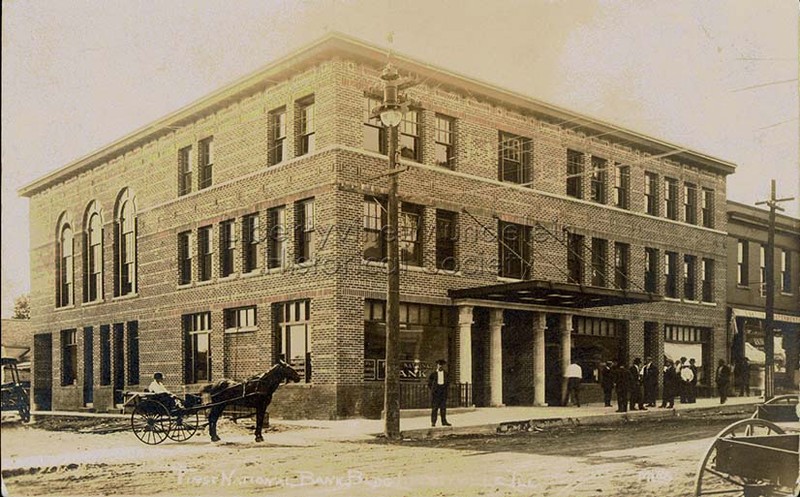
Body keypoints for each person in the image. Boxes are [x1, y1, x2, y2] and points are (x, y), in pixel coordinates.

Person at [427, 359, 451, 427]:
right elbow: (429, 383)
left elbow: (448, 383)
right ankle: (433, 422)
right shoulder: (433, 374)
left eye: (442, 365)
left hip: (443, 392)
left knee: (443, 408)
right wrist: (433, 390)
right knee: (435, 408)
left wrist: (445, 390)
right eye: (439, 364)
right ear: (437, 365)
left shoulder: (446, 374)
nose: (440, 366)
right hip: (436, 393)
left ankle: (444, 421)